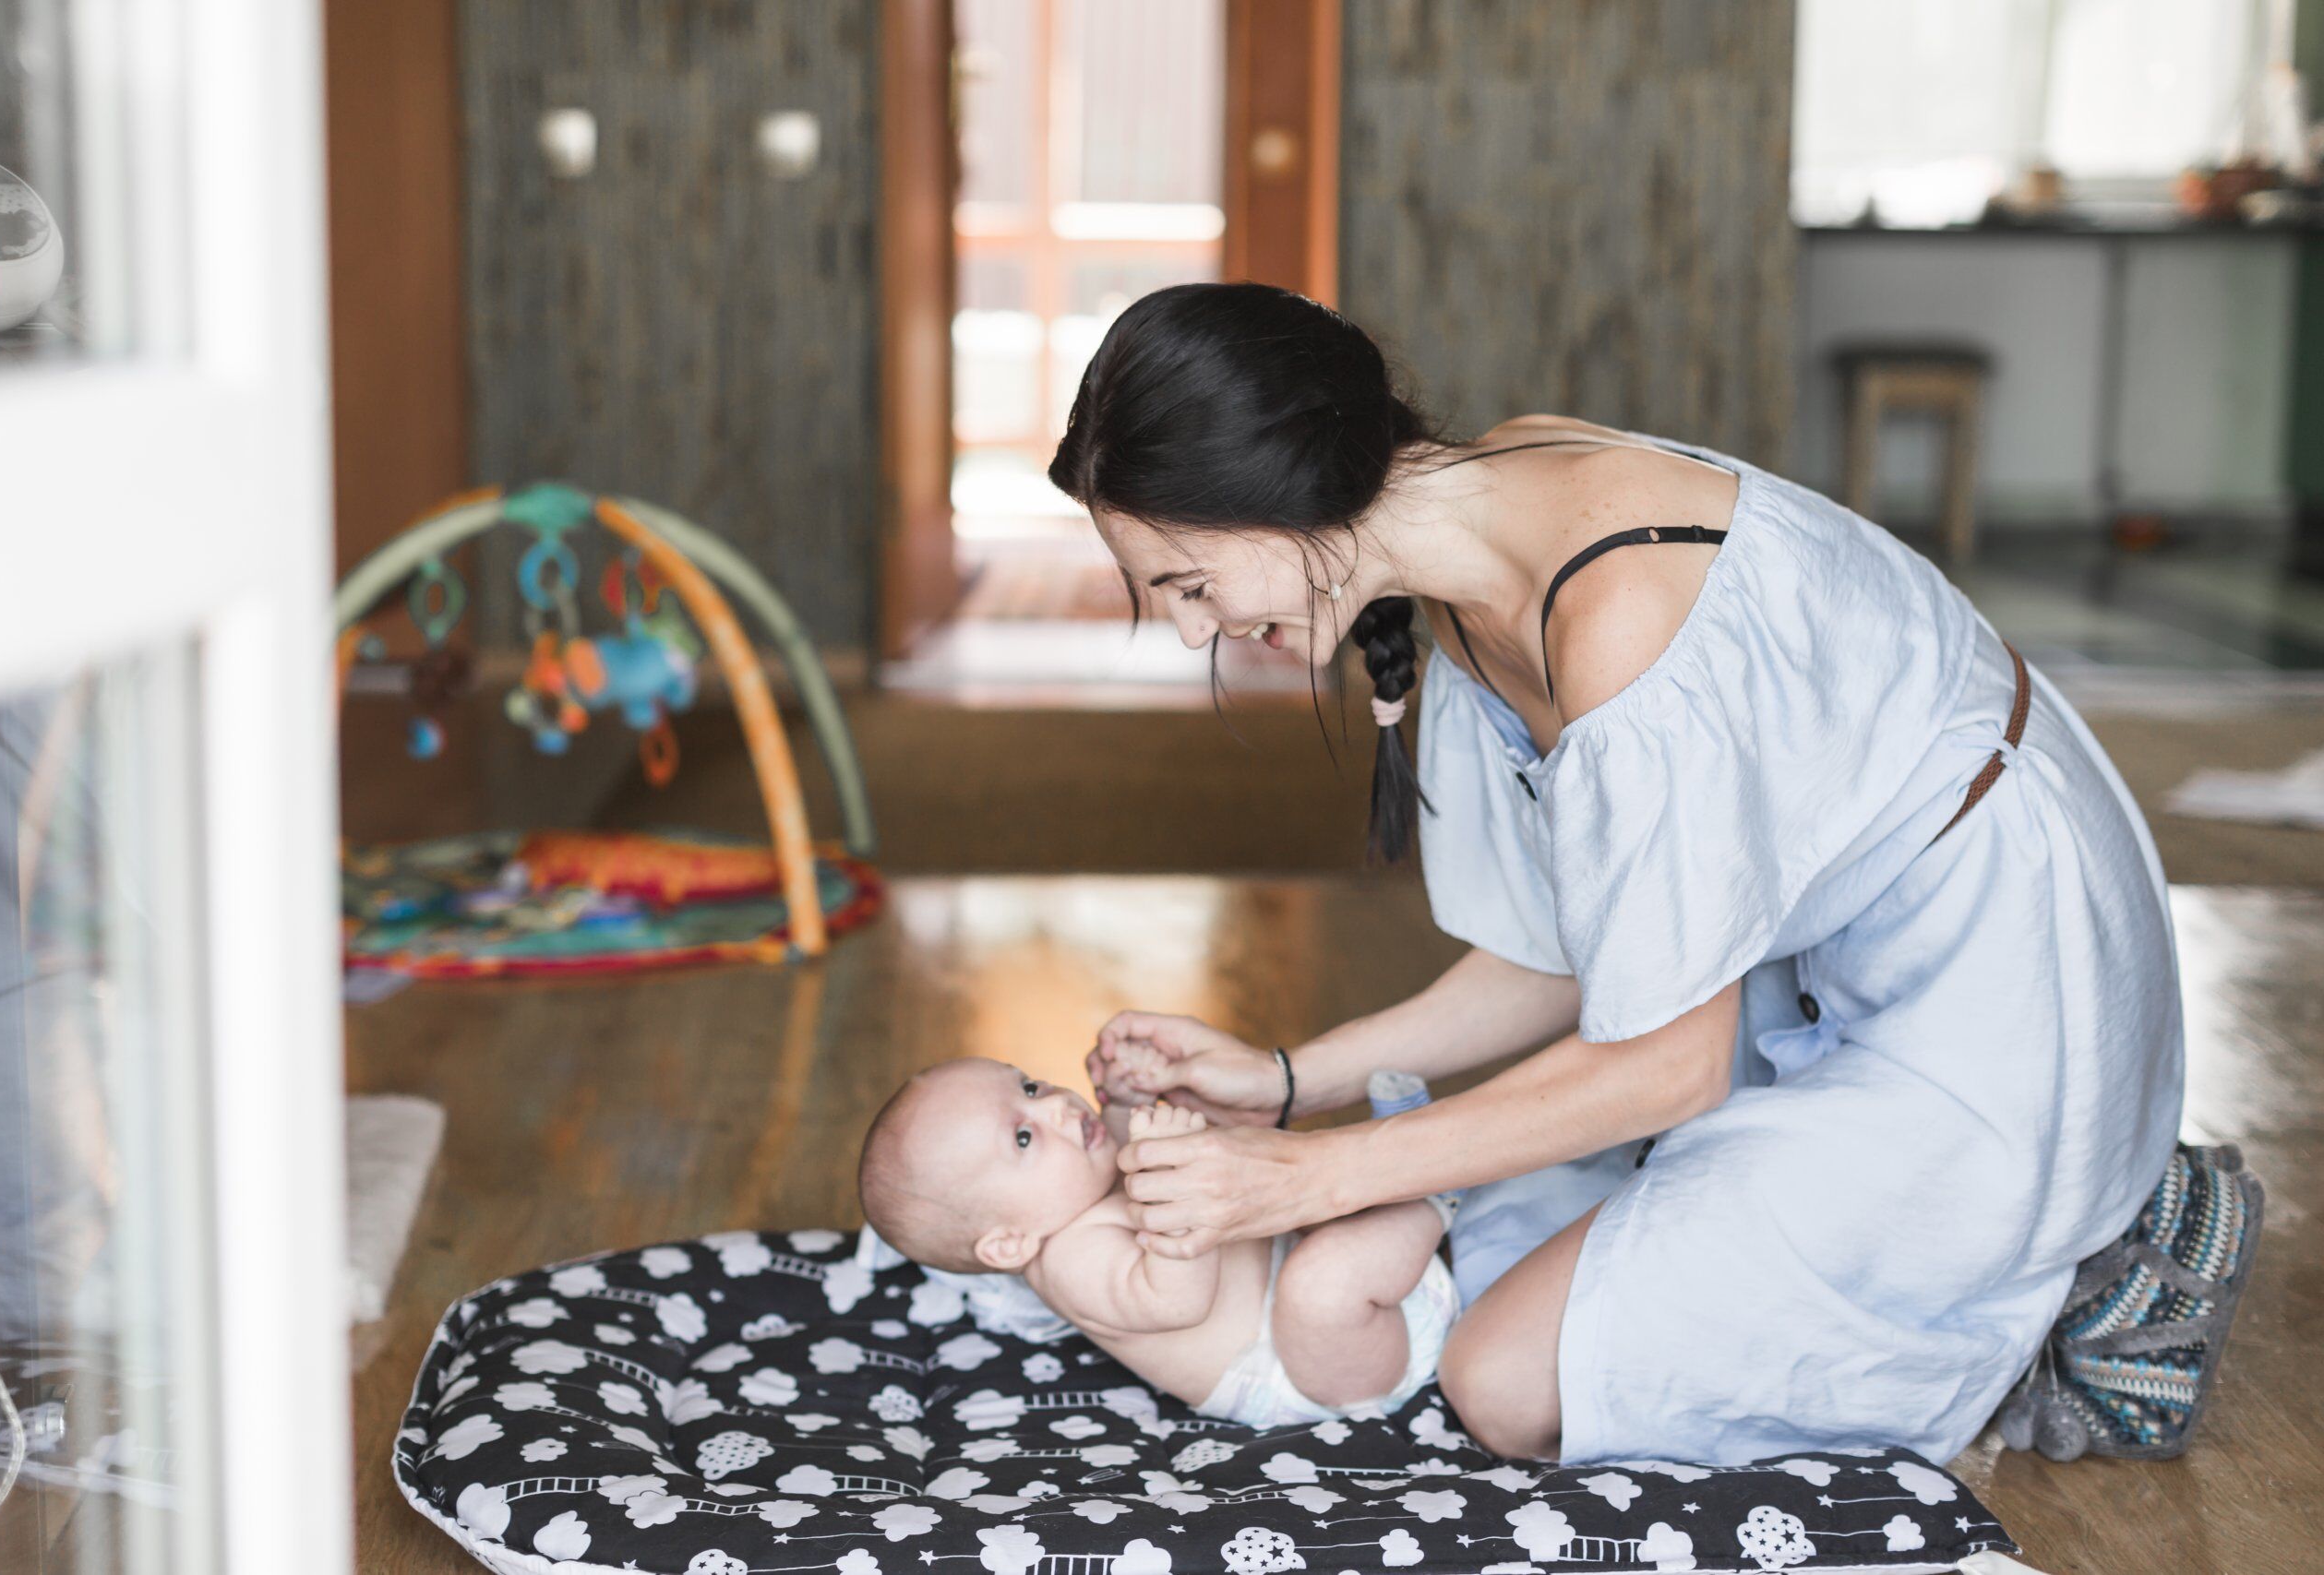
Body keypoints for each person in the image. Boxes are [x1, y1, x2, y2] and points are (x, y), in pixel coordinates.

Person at [1057, 281, 2186, 1465]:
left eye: (1190, 583)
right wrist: (1291, 1081)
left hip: (2000, 997)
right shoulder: (1474, 552)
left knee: (1503, 1382)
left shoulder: (1620, 618)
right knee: (1504, 1254)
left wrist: (1305, 1178)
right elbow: (1571, 946)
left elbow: (1664, 1067)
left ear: (1285, 495)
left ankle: (2083, 1282)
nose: (1194, 632)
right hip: (1813, 968)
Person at [856, 1056, 1457, 1426]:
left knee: (1282, 1175)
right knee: (1321, 1281)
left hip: (1320, 1281)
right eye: (1021, 1137)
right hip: (1321, 1370)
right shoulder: (1070, 1260)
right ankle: (1440, 1187)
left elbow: (1132, 1140)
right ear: (1009, 1244)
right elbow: (1177, 1301)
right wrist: (1174, 1207)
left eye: (1031, 1087)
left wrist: (1129, 1098)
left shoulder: (1080, 1181)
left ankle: (1402, 1160)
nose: (1059, 1109)